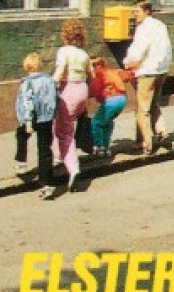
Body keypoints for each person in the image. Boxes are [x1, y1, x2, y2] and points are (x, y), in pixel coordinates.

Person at [123, 0, 172, 155]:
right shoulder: (160, 25)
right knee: (153, 103)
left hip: (147, 71)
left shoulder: (143, 28)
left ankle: (146, 144)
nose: (134, 15)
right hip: (161, 70)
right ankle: (162, 131)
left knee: (142, 109)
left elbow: (138, 50)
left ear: (146, 11)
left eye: (137, 11)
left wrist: (127, 63)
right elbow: (167, 48)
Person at [51, 19, 90, 192]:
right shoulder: (84, 54)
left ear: (65, 35)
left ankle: (73, 168)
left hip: (69, 91)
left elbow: (59, 73)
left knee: (64, 132)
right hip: (83, 89)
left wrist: (50, 85)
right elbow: (92, 74)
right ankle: (58, 156)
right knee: (63, 126)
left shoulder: (63, 51)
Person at [15, 52, 59, 199]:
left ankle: (21, 162)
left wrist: (28, 122)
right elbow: (55, 98)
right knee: (45, 150)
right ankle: (47, 185)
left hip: (33, 118)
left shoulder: (27, 82)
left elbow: (28, 103)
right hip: (47, 119)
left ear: (26, 66)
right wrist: (53, 115)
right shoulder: (49, 80)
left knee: (21, 134)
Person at [87, 56, 133, 159]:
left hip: (111, 100)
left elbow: (97, 92)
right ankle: (106, 146)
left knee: (96, 122)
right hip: (122, 99)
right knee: (107, 122)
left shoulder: (98, 75)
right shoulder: (113, 71)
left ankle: (100, 147)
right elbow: (127, 76)